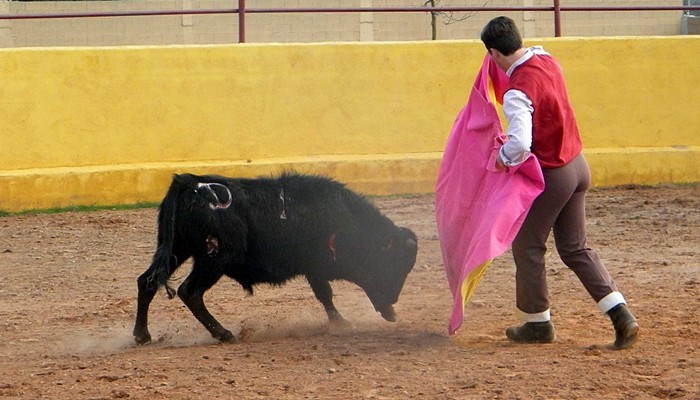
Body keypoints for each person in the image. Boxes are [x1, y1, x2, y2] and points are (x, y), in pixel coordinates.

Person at [480, 16, 639, 349]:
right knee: (575, 247)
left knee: (527, 244)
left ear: (494, 54)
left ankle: (537, 323)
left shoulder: (516, 92)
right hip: (578, 165)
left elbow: (520, 143)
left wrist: (502, 158)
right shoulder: (546, 58)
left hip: (554, 174)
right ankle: (620, 314)